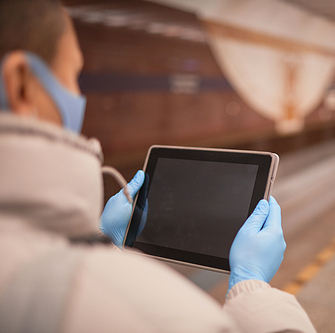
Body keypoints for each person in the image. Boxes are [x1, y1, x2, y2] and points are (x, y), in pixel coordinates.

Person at [0, 0, 317, 332]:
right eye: (74, 75)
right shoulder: (151, 313)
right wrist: (251, 287)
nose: (79, 94)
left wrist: (100, 239)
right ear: (21, 83)